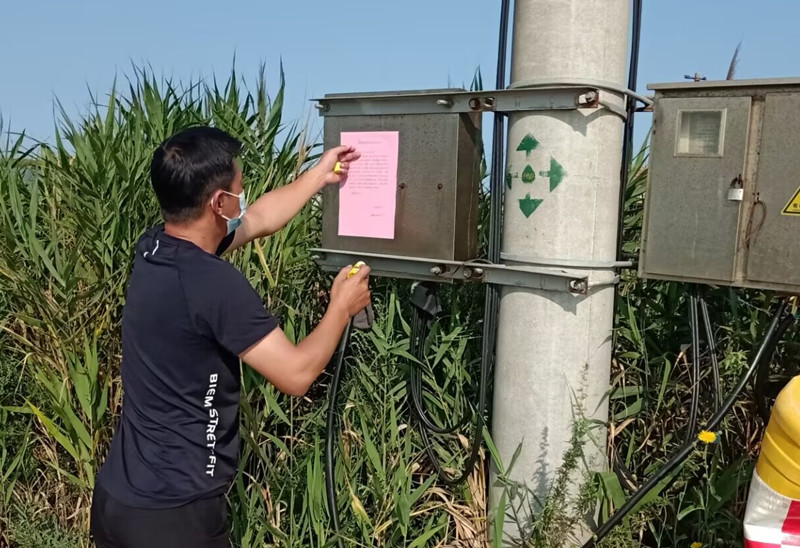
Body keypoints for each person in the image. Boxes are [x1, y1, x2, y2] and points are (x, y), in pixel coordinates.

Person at [89, 126, 371, 548]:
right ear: (219, 203)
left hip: (117, 501)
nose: (244, 197)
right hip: (174, 517)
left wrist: (319, 175)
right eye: (239, 188)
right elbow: (296, 374)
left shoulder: (155, 247)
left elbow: (257, 219)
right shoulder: (213, 284)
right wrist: (340, 308)